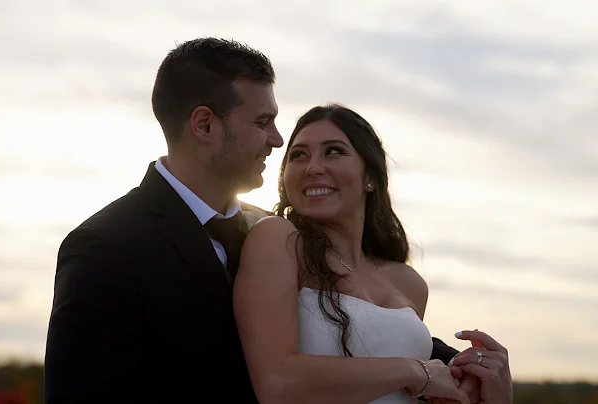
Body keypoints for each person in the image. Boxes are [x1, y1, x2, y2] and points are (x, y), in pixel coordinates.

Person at [43, 37, 476, 403]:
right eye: (263, 122)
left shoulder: (274, 232)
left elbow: (358, 325)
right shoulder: (106, 247)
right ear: (205, 125)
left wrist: (457, 364)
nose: (276, 139)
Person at [233, 104, 513, 403]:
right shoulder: (278, 239)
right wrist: (416, 372)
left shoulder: (409, 283)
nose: (313, 167)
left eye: (333, 151)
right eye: (298, 155)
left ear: (370, 176)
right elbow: (278, 382)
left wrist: (479, 385)